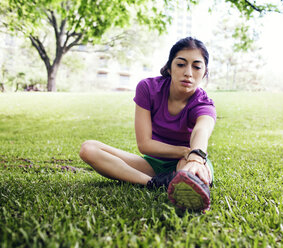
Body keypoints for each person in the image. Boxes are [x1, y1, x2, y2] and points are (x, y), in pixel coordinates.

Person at [79, 37, 216, 211]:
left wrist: (195, 157)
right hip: (154, 165)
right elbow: (145, 145)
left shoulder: (204, 104)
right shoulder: (148, 88)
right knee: (88, 149)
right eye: (181, 64)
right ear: (169, 67)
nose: (188, 72)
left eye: (196, 67)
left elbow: (202, 130)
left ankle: (187, 183)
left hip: (189, 161)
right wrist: (184, 150)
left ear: (204, 72)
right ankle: (156, 184)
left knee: (187, 172)